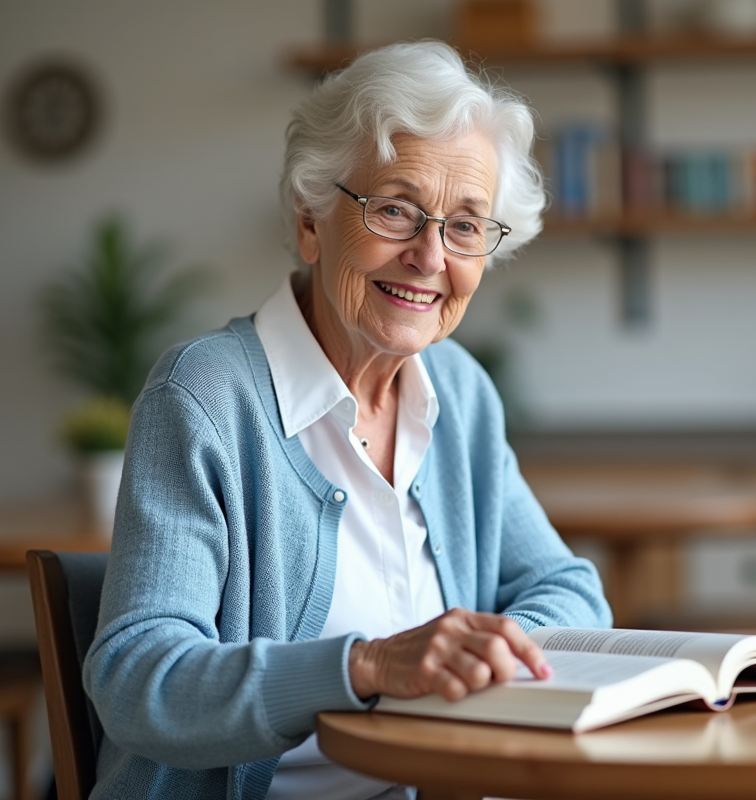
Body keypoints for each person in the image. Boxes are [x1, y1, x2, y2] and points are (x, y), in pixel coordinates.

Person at [82, 40, 612, 800]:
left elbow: (569, 588)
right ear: (310, 220)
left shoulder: (458, 391)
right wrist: (366, 665)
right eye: (396, 209)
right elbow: (138, 677)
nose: (430, 255)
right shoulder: (204, 397)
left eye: (465, 226)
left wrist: (488, 651)